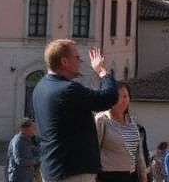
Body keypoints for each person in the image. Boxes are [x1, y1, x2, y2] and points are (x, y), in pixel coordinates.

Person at [31, 39, 119, 182]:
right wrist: (102, 72)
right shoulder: (68, 89)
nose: (80, 61)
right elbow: (108, 98)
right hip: (73, 171)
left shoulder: (40, 87)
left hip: (52, 168)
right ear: (64, 62)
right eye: (77, 57)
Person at [95, 82, 148, 182]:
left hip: (131, 175)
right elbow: (93, 151)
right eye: (118, 97)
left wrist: (143, 177)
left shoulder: (132, 122)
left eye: (125, 96)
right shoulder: (102, 120)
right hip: (108, 176)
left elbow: (138, 154)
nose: (122, 101)